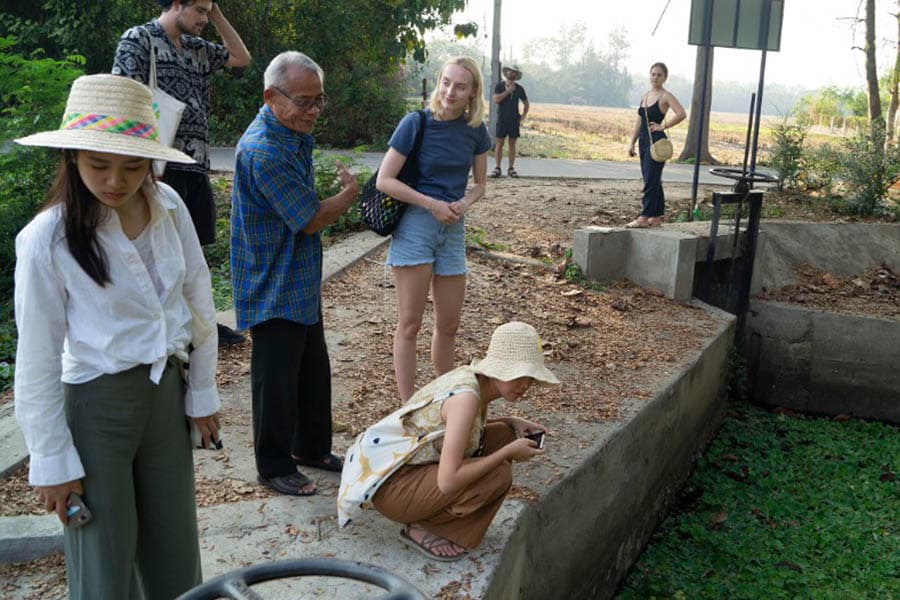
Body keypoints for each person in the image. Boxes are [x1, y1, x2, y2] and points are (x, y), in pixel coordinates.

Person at [13, 74, 220, 599]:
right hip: (96, 405)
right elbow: (36, 357)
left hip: (164, 395)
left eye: (133, 165)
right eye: (98, 164)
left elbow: (197, 300)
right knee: (104, 557)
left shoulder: (169, 206)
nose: (116, 180)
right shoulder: (47, 239)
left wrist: (201, 392)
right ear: (72, 158)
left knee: (175, 546)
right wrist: (52, 461)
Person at [231, 51, 358, 497]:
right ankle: (273, 464)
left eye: (319, 101)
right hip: (273, 279)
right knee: (276, 377)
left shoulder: (287, 130)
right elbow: (309, 218)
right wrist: (349, 194)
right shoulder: (264, 150)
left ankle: (311, 447)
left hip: (299, 272)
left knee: (311, 368)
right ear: (271, 97)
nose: (314, 112)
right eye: (304, 102)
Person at [337, 321, 560, 561]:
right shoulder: (466, 399)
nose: (525, 385)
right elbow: (448, 481)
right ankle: (425, 527)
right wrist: (506, 454)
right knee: (498, 474)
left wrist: (511, 421)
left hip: (402, 472)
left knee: (505, 433)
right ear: (499, 368)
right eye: (519, 375)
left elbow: (454, 427)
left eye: (531, 378)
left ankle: (430, 514)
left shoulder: (473, 380)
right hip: (392, 489)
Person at [113, 0, 251, 344]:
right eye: (200, 11)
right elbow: (121, 101)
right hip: (156, 168)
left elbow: (241, 58)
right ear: (176, 4)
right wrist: (135, 167)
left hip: (195, 165)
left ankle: (198, 324)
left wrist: (217, 13)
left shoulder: (196, 48)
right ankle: (161, 330)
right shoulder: (139, 39)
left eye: (208, 11)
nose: (205, 18)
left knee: (194, 249)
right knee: (155, 250)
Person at [376, 56, 492, 402]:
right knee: (410, 324)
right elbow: (385, 180)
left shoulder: (476, 131)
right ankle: (408, 407)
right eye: (445, 83)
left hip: (453, 230)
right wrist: (432, 204)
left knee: (449, 325)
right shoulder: (416, 123)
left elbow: (480, 185)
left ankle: (446, 401)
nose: (449, 91)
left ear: (473, 93)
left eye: (459, 86)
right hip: (416, 226)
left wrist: (464, 204)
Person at [625, 62, 686, 228]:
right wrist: (632, 142)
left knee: (651, 179)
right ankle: (656, 216)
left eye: (659, 75)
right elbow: (639, 122)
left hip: (657, 141)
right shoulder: (645, 96)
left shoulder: (666, 96)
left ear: (665, 77)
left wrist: (663, 126)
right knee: (652, 178)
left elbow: (681, 114)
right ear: (649, 75)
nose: (655, 77)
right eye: (653, 74)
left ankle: (645, 217)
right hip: (643, 141)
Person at [490, 64, 529, 178]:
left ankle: (511, 168)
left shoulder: (520, 88)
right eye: (510, 71)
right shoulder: (500, 86)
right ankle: (497, 168)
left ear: (516, 75)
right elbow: (496, 99)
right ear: (506, 72)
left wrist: (523, 116)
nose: (511, 73)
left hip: (514, 120)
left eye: (514, 72)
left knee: (512, 144)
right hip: (502, 119)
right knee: (499, 144)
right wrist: (508, 91)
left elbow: (526, 104)